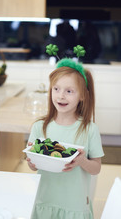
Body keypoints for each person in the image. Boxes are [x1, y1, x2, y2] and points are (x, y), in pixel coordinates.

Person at [26, 58, 104, 218]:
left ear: (82, 95)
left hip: (74, 206)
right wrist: (31, 162)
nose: (61, 96)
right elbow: (33, 167)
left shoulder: (90, 129)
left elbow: (96, 168)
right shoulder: (39, 127)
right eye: (56, 89)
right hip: (44, 201)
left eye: (69, 91)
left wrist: (82, 161)